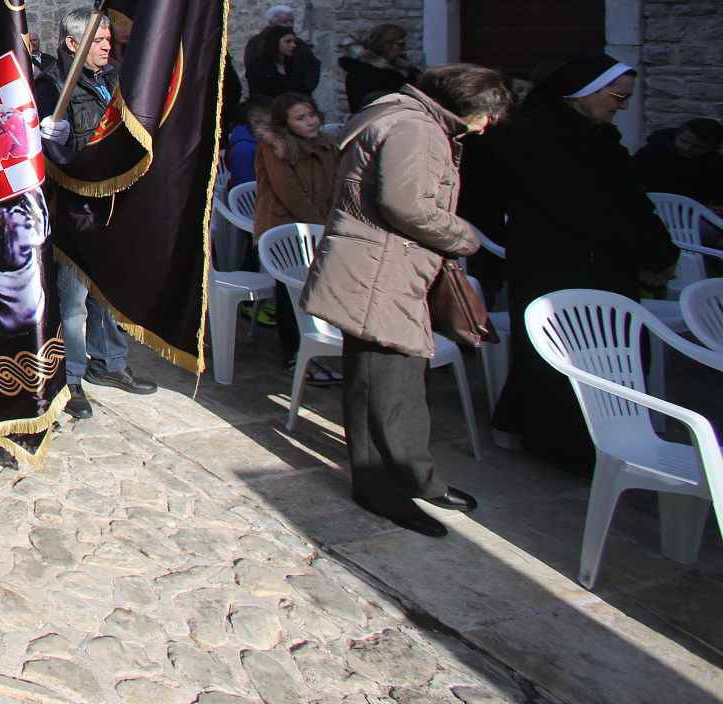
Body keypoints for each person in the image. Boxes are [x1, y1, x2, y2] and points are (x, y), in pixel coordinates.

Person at [301, 64, 511, 537]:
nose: (487, 127)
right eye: (487, 116)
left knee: (399, 384)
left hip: (384, 267)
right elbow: (407, 205)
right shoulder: (416, 127)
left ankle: (417, 477)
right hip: (378, 270)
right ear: (467, 106)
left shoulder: (402, 114)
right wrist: (465, 236)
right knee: (381, 388)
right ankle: (383, 491)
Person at [488, 53, 680, 475]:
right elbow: (586, 209)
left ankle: (595, 437)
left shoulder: (590, 134)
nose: (622, 106)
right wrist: (648, 251)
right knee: (572, 357)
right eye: (617, 96)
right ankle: (570, 445)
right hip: (561, 265)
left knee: (608, 352)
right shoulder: (541, 136)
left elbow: (627, 200)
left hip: (595, 262)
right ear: (583, 92)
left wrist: (658, 252)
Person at [51, 8, 157, 418]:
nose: (107, 47)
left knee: (107, 292)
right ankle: (70, 376)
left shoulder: (112, 80)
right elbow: (50, 149)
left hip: (111, 205)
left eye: (108, 40)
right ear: (73, 43)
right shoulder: (54, 83)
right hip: (75, 209)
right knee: (74, 300)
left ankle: (109, 361)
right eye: (98, 40)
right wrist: (52, 140)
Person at [253, 92, 342, 386]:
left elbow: (333, 184)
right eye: (301, 118)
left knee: (316, 289)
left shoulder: (325, 145)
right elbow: (289, 191)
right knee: (291, 291)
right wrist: (319, 225)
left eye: (312, 115)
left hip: (320, 224)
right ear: (285, 122)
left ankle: (317, 349)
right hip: (286, 228)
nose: (310, 122)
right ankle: (294, 354)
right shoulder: (274, 146)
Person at [633, 117, 723, 207]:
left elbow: (717, 192)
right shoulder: (652, 153)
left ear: (712, 148)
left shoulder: (715, 164)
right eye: (683, 141)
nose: (687, 148)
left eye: (698, 147)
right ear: (676, 135)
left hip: (693, 209)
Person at [340, 24, 420, 115]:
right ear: (386, 43)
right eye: (401, 44)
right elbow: (361, 106)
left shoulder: (402, 70)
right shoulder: (363, 72)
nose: (403, 49)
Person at [244, 25, 321, 101]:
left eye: (294, 42)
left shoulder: (293, 67)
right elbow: (259, 99)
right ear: (275, 42)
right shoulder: (259, 69)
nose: (293, 45)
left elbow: (303, 92)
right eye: (288, 41)